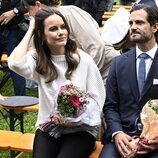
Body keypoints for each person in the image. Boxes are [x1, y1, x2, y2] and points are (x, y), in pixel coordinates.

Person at [8, 7, 105, 158]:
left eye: (63, 27)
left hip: (81, 130)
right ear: (42, 35)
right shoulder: (39, 61)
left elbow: (97, 98)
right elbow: (15, 63)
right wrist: (31, 28)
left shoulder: (82, 59)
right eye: (53, 29)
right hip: (49, 128)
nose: (61, 32)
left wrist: (74, 118)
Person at [99, 3, 158, 158]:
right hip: (123, 136)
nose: (132, 27)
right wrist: (117, 133)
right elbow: (110, 105)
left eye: (139, 22)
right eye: (130, 23)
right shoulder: (118, 63)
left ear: (155, 27)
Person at [21, 0, 120, 85]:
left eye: (28, 10)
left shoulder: (69, 13)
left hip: (106, 69)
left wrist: (81, 80)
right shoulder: (42, 26)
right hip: (78, 75)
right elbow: (28, 57)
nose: (29, 15)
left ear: (38, 5)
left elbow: (97, 47)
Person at [0, 0, 27, 95]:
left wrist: (14, 12)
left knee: (15, 67)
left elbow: (30, 4)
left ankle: (20, 104)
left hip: (13, 30)